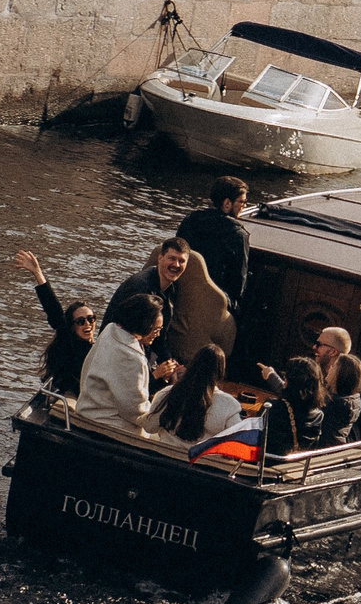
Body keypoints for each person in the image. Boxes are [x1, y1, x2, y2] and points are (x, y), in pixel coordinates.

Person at [103, 237, 191, 383]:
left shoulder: (171, 289)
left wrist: (170, 364)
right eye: (172, 258)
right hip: (119, 361)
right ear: (160, 258)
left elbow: (159, 337)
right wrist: (154, 375)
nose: (176, 265)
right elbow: (131, 338)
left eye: (181, 261)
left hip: (141, 357)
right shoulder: (140, 289)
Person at [15, 248, 96, 397]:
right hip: (74, 393)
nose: (87, 324)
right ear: (72, 326)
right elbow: (54, 310)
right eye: (80, 321)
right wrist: (38, 274)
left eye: (91, 319)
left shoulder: (97, 345)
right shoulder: (69, 341)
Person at [77, 292, 165, 424]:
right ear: (144, 324)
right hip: (109, 423)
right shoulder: (132, 358)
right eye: (156, 329)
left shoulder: (111, 329)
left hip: (88, 409)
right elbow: (135, 413)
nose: (157, 335)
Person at [145, 343, 241, 444]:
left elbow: (149, 427)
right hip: (200, 458)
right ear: (221, 372)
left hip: (165, 455)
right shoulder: (229, 405)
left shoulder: (168, 393)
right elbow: (236, 443)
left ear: (193, 364)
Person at [176, 178, 250, 310]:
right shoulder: (238, 235)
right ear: (227, 203)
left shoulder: (190, 220)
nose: (244, 206)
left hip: (182, 290)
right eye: (242, 202)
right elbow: (238, 284)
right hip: (213, 302)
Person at [263, 356, 325, 453]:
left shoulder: (272, 407)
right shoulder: (318, 415)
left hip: (268, 463)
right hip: (298, 465)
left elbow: (256, 437)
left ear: (287, 381)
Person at [321, 353, 361, 446]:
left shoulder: (333, 403)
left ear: (340, 373)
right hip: (340, 445)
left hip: (325, 448)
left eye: (334, 366)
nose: (330, 368)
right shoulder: (355, 399)